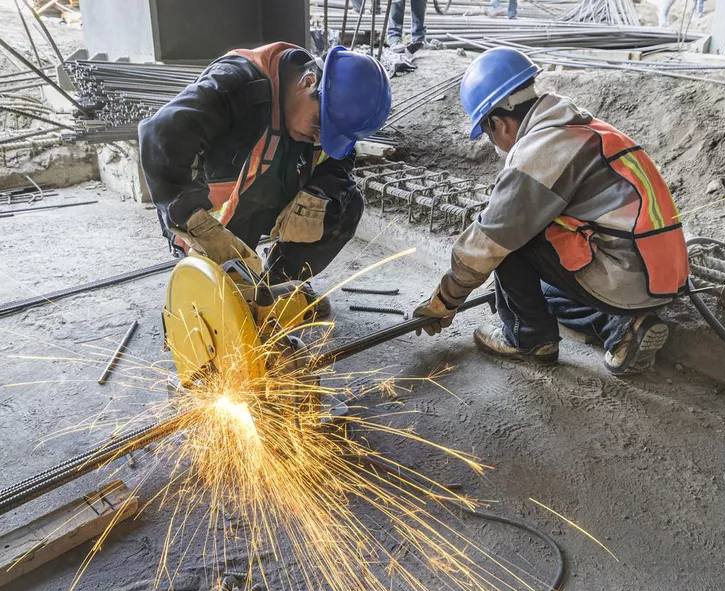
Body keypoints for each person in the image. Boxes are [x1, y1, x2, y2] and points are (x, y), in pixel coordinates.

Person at [413, 48, 690, 375]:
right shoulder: (579, 126)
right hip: (661, 275)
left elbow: (490, 238)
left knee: (511, 240)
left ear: (498, 123)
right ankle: (625, 326)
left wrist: (447, 297)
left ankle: (527, 338)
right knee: (546, 296)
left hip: (624, 273)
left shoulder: (541, 150)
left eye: (488, 134)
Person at [139, 43, 391, 300]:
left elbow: (340, 158)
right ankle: (220, 275)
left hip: (264, 201)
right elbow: (161, 135)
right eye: (319, 125)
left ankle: (275, 286)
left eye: (330, 135)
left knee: (344, 203)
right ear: (307, 82)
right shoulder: (237, 83)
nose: (320, 139)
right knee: (222, 305)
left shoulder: (318, 117)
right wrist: (197, 224)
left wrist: (318, 192)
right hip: (209, 220)